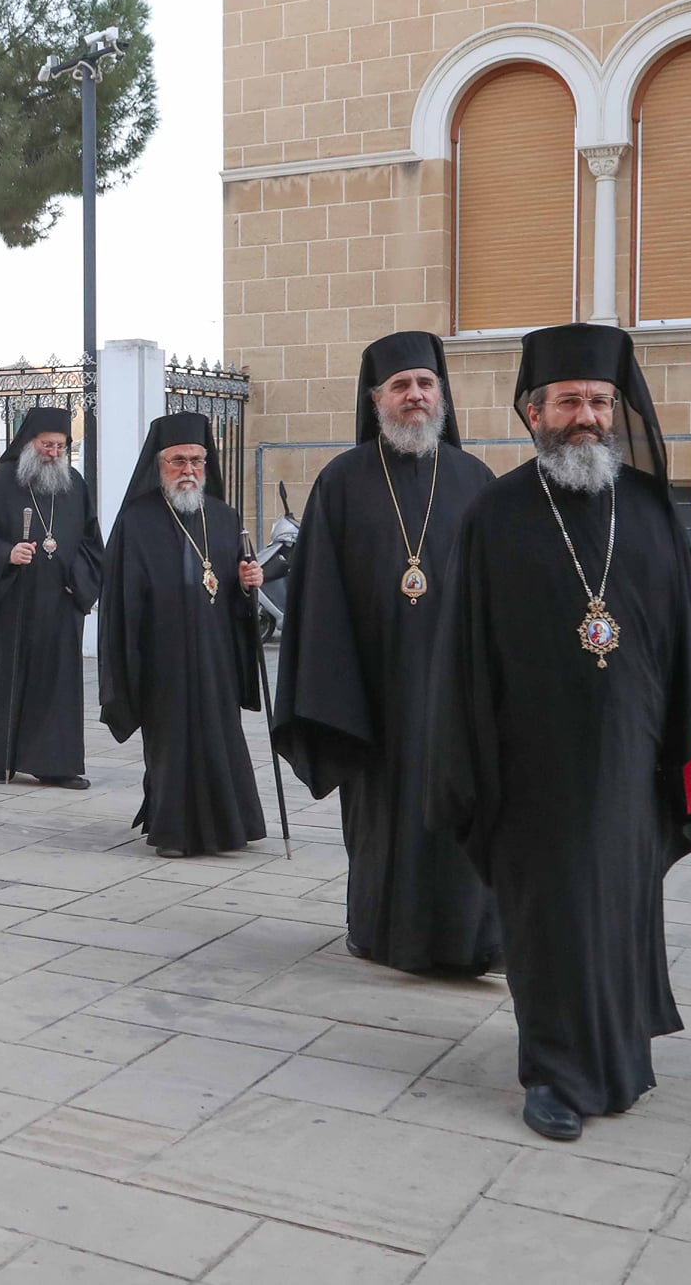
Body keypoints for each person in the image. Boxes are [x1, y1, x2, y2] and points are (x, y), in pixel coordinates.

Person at [428, 322, 691, 1143]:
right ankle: (554, 1073)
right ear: (533, 411)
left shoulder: (651, 510)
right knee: (550, 919)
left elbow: (687, 647)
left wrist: (689, 757)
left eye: (599, 400)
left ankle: (619, 1059)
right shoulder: (494, 514)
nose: (586, 416)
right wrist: (466, 765)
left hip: (632, 760)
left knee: (621, 911)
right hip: (534, 769)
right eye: (568, 401)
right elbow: (465, 654)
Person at [272, 331, 501, 974]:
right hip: (372, 692)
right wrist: (334, 692)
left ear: (442, 395)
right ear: (376, 400)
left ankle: (470, 941)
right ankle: (377, 931)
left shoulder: (475, 481)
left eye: (426, 384)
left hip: (458, 691)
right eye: (400, 385)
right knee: (381, 819)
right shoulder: (342, 482)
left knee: (462, 810)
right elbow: (317, 597)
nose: (415, 395)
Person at [100, 413, 268, 857]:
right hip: (164, 655)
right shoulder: (137, 520)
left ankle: (231, 827)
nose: (188, 469)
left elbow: (235, 587)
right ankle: (173, 831)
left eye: (196, 460)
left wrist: (248, 583)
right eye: (178, 460)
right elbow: (120, 597)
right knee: (171, 744)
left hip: (215, 654)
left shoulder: (225, 517)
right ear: (160, 465)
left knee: (221, 738)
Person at [0, 407, 103, 787]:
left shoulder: (75, 485)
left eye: (60, 446)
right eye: (47, 445)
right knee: (3, 680)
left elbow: (92, 542)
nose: (54, 453)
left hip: (60, 602)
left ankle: (55, 765)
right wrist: (6, 554)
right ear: (29, 443)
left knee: (57, 685)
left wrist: (77, 580)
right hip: (10, 600)